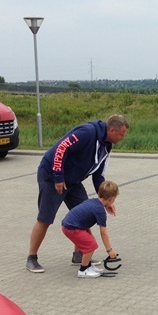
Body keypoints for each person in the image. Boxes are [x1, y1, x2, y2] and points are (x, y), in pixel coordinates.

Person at [26, 113, 129, 273]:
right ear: (112, 130)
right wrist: (58, 176)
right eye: (121, 134)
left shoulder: (106, 146)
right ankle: (32, 258)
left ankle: (79, 254)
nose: (123, 138)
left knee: (85, 214)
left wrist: (105, 200)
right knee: (45, 218)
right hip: (52, 176)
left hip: (73, 181)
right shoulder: (87, 132)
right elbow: (61, 148)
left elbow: (98, 175)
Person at [61, 180, 119, 278]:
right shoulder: (100, 210)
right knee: (91, 246)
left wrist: (90, 235)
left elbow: (84, 219)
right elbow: (103, 233)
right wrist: (109, 250)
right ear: (111, 199)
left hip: (69, 224)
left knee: (90, 242)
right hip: (71, 228)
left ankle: (88, 266)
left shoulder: (93, 201)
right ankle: (83, 270)